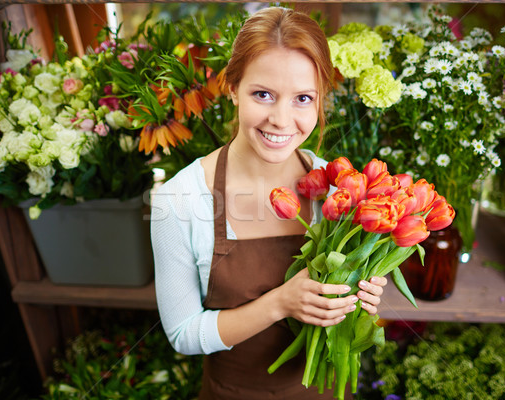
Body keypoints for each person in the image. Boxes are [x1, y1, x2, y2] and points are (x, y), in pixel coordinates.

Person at [151, 7, 388, 399]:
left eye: (302, 98)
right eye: (263, 94)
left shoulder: (339, 185)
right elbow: (183, 334)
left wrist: (362, 293)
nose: (281, 119)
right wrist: (280, 303)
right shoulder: (179, 200)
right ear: (232, 88)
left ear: (321, 100)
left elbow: (349, 308)